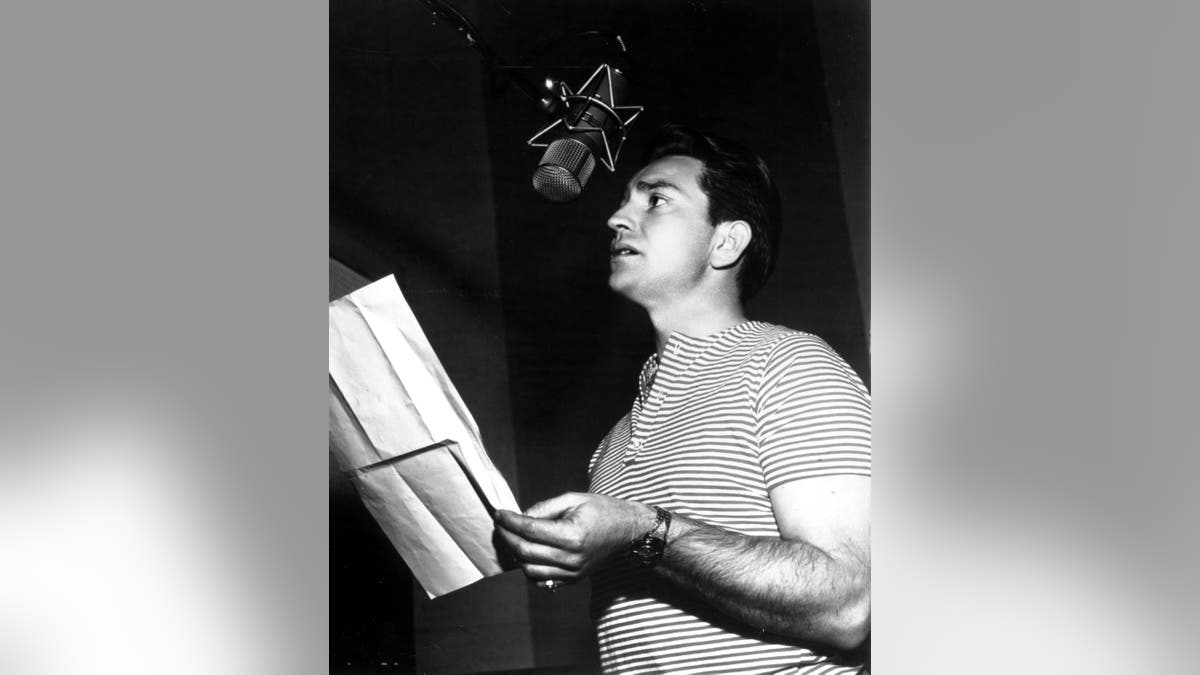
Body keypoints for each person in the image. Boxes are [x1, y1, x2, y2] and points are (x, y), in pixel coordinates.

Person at [494, 124, 871, 674]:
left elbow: (847, 604)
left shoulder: (788, 364)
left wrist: (645, 531)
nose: (616, 218)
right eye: (625, 201)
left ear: (726, 242)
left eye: (657, 200)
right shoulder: (614, 442)